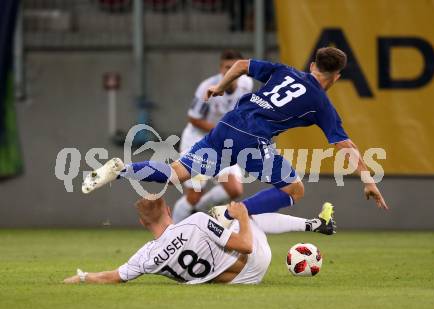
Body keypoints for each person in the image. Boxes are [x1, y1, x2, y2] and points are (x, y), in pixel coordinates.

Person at [82, 47, 388, 227]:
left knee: (177, 172)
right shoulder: (322, 103)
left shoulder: (285, 71)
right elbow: (344, 145)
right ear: (335, 77)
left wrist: (218, 88)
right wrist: (368, 180)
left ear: (311, 66)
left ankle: (120, 170)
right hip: (253, 139)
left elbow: (242, 66)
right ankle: (227, 215)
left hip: (227, 125)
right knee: (294, 189)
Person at [63, 198, 335, 285]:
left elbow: (114, 276)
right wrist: (240, 217)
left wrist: (83, 277)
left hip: (232, 283)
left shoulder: (146, 256)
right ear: (169, 210)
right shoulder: (197, 222)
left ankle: (315, 224)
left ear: (142, 223)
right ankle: (315, 224)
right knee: (247, 213)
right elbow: (246, 246)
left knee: (228, 217)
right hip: (251, 265)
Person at [173, 49, 253, 223]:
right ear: (220, 68)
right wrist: (222, 129)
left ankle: (199, 211)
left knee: (235, 190)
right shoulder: (207, 87)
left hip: (222, 143)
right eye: (226, 67)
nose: (229, 71)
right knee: (194, 195)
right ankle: (170, 233)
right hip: (196, 141)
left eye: (234, 67)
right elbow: (193, 118)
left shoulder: (247, 84)